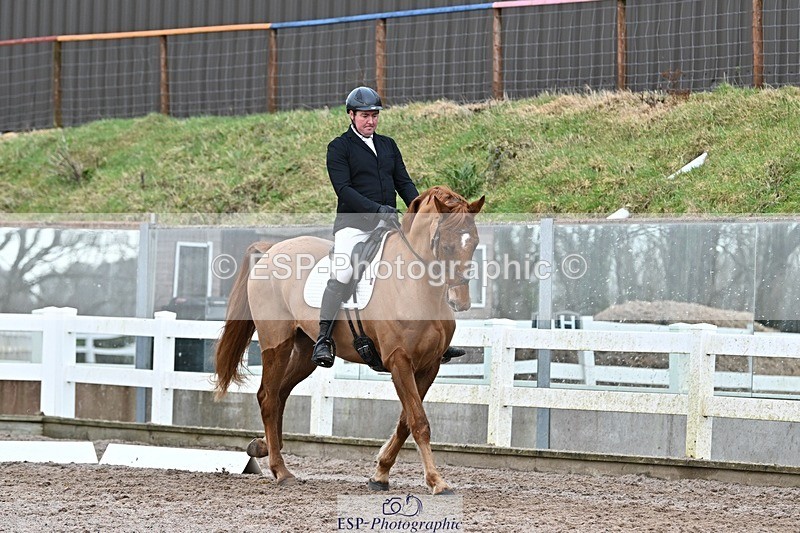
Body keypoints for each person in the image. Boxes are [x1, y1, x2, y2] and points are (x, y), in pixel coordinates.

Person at [311, 86, 419, 368]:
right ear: (351, 115)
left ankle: (431, 336)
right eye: (364, 116)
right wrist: (377, 210)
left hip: (389, 224)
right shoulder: (339, 147)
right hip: (354, 225)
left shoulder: (388, 145)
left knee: (420, 261)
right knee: (345, 269)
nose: (370, 121)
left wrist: (419, 210)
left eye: (374, 115)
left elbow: (404, 182)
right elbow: (344, 190)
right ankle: (323, 339)